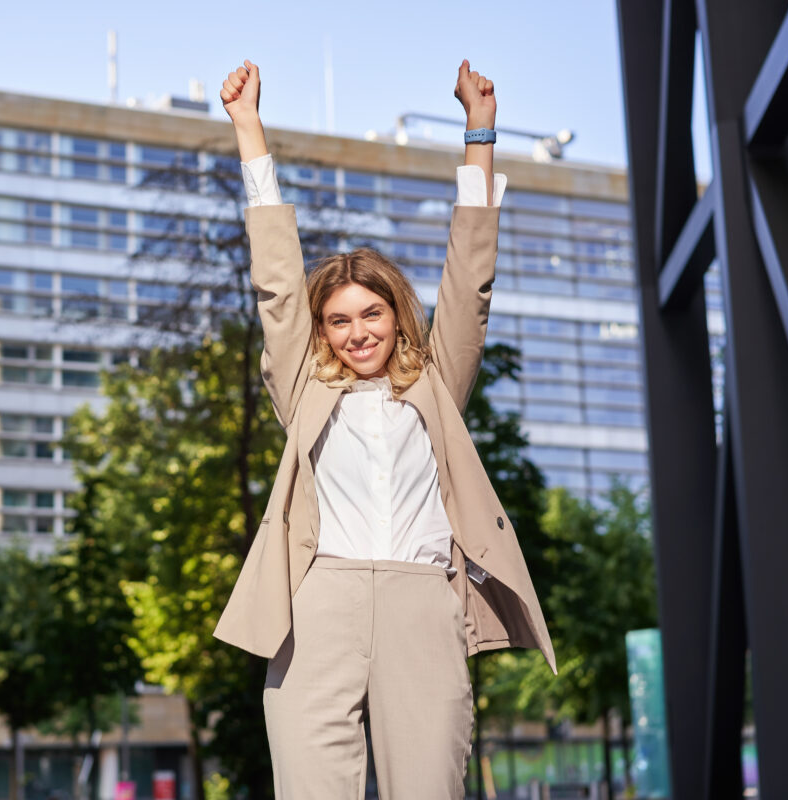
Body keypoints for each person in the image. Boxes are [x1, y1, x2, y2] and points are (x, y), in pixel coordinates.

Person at [211, 59, 557, 799]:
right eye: (338, 320)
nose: (357, 331)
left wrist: (479, 132)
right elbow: (277, 284)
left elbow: (470, 277)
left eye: (371, 313)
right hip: (319, 607)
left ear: (397, 314)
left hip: (422, 606)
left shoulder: (436, 384)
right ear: (323, 332)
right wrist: (249, 130)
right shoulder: (304, 388)